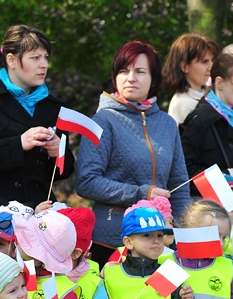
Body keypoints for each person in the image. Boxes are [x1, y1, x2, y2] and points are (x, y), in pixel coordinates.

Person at [0, 24, 75, 269]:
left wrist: (57, 153)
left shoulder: (54, 106)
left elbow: (62, 171)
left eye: (46, 58)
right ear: (11, 59)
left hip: (39, 220)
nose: (44, 65)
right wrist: (20, 143)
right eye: (35, 58)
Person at [77, 40, 190, 266]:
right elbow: (86, 182)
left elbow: (179, 183)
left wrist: (179, 232)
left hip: (159, 242)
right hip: (112, 242)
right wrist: (141, 193)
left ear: (153, 79)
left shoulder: (167, 124)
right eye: (123, 71)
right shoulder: (102, 120)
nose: (130, 77)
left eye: (140, 71)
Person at [180, 53, 233, 219]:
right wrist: (222, 176)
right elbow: (182, 173)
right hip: (210, 218)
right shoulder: (200, 121)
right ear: (220, 83)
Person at [163, 33, 219, 126]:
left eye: (212, 60)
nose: (211, 67)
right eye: (204, 62)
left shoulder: (209, 94)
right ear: (184, 67)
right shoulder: (183, 104)